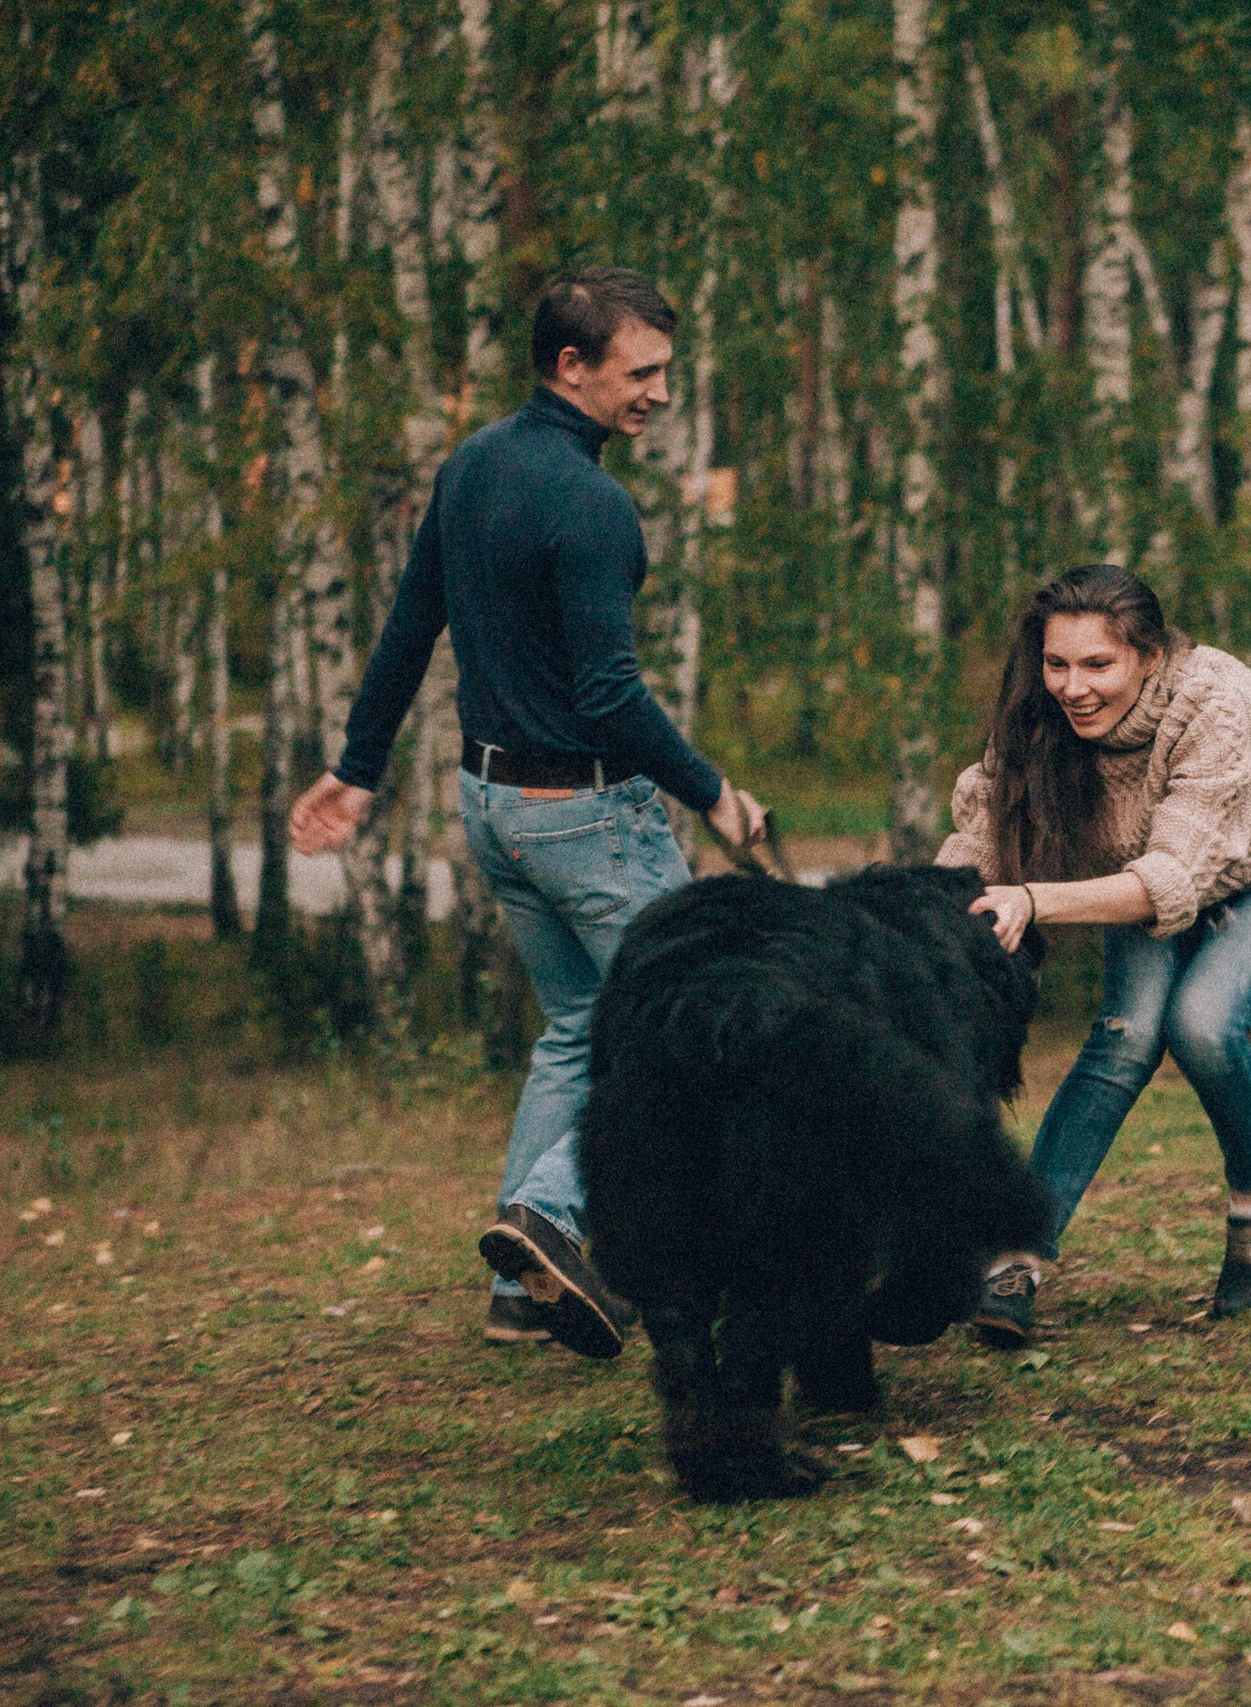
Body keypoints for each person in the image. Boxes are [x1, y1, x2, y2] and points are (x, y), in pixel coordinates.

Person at [288, 265, 766, 1361]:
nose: (658, 395)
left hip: (493, 809)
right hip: (588, 820)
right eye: (640, 374)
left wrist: (357, 769)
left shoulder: (474, 466)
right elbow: (608, 695)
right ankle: (555, 1215)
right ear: (571, 365)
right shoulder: (591, 505)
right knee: (681, 1033)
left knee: (576, 1031)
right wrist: (715, 794)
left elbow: (413, 623)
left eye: (665, 374)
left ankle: (522, 1289)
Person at [937, 565, 1251, 1347]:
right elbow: (981, 838)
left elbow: (1171, 878)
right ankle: (1018, 1253)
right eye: (1058, 663)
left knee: (1201, 1022)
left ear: (1150, 656)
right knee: (1123, 1039)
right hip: (1148, 873)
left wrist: (1034, 899)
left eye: (1099, 664)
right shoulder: (1041, 714)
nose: (1073, 686)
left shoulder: (1215, 701)